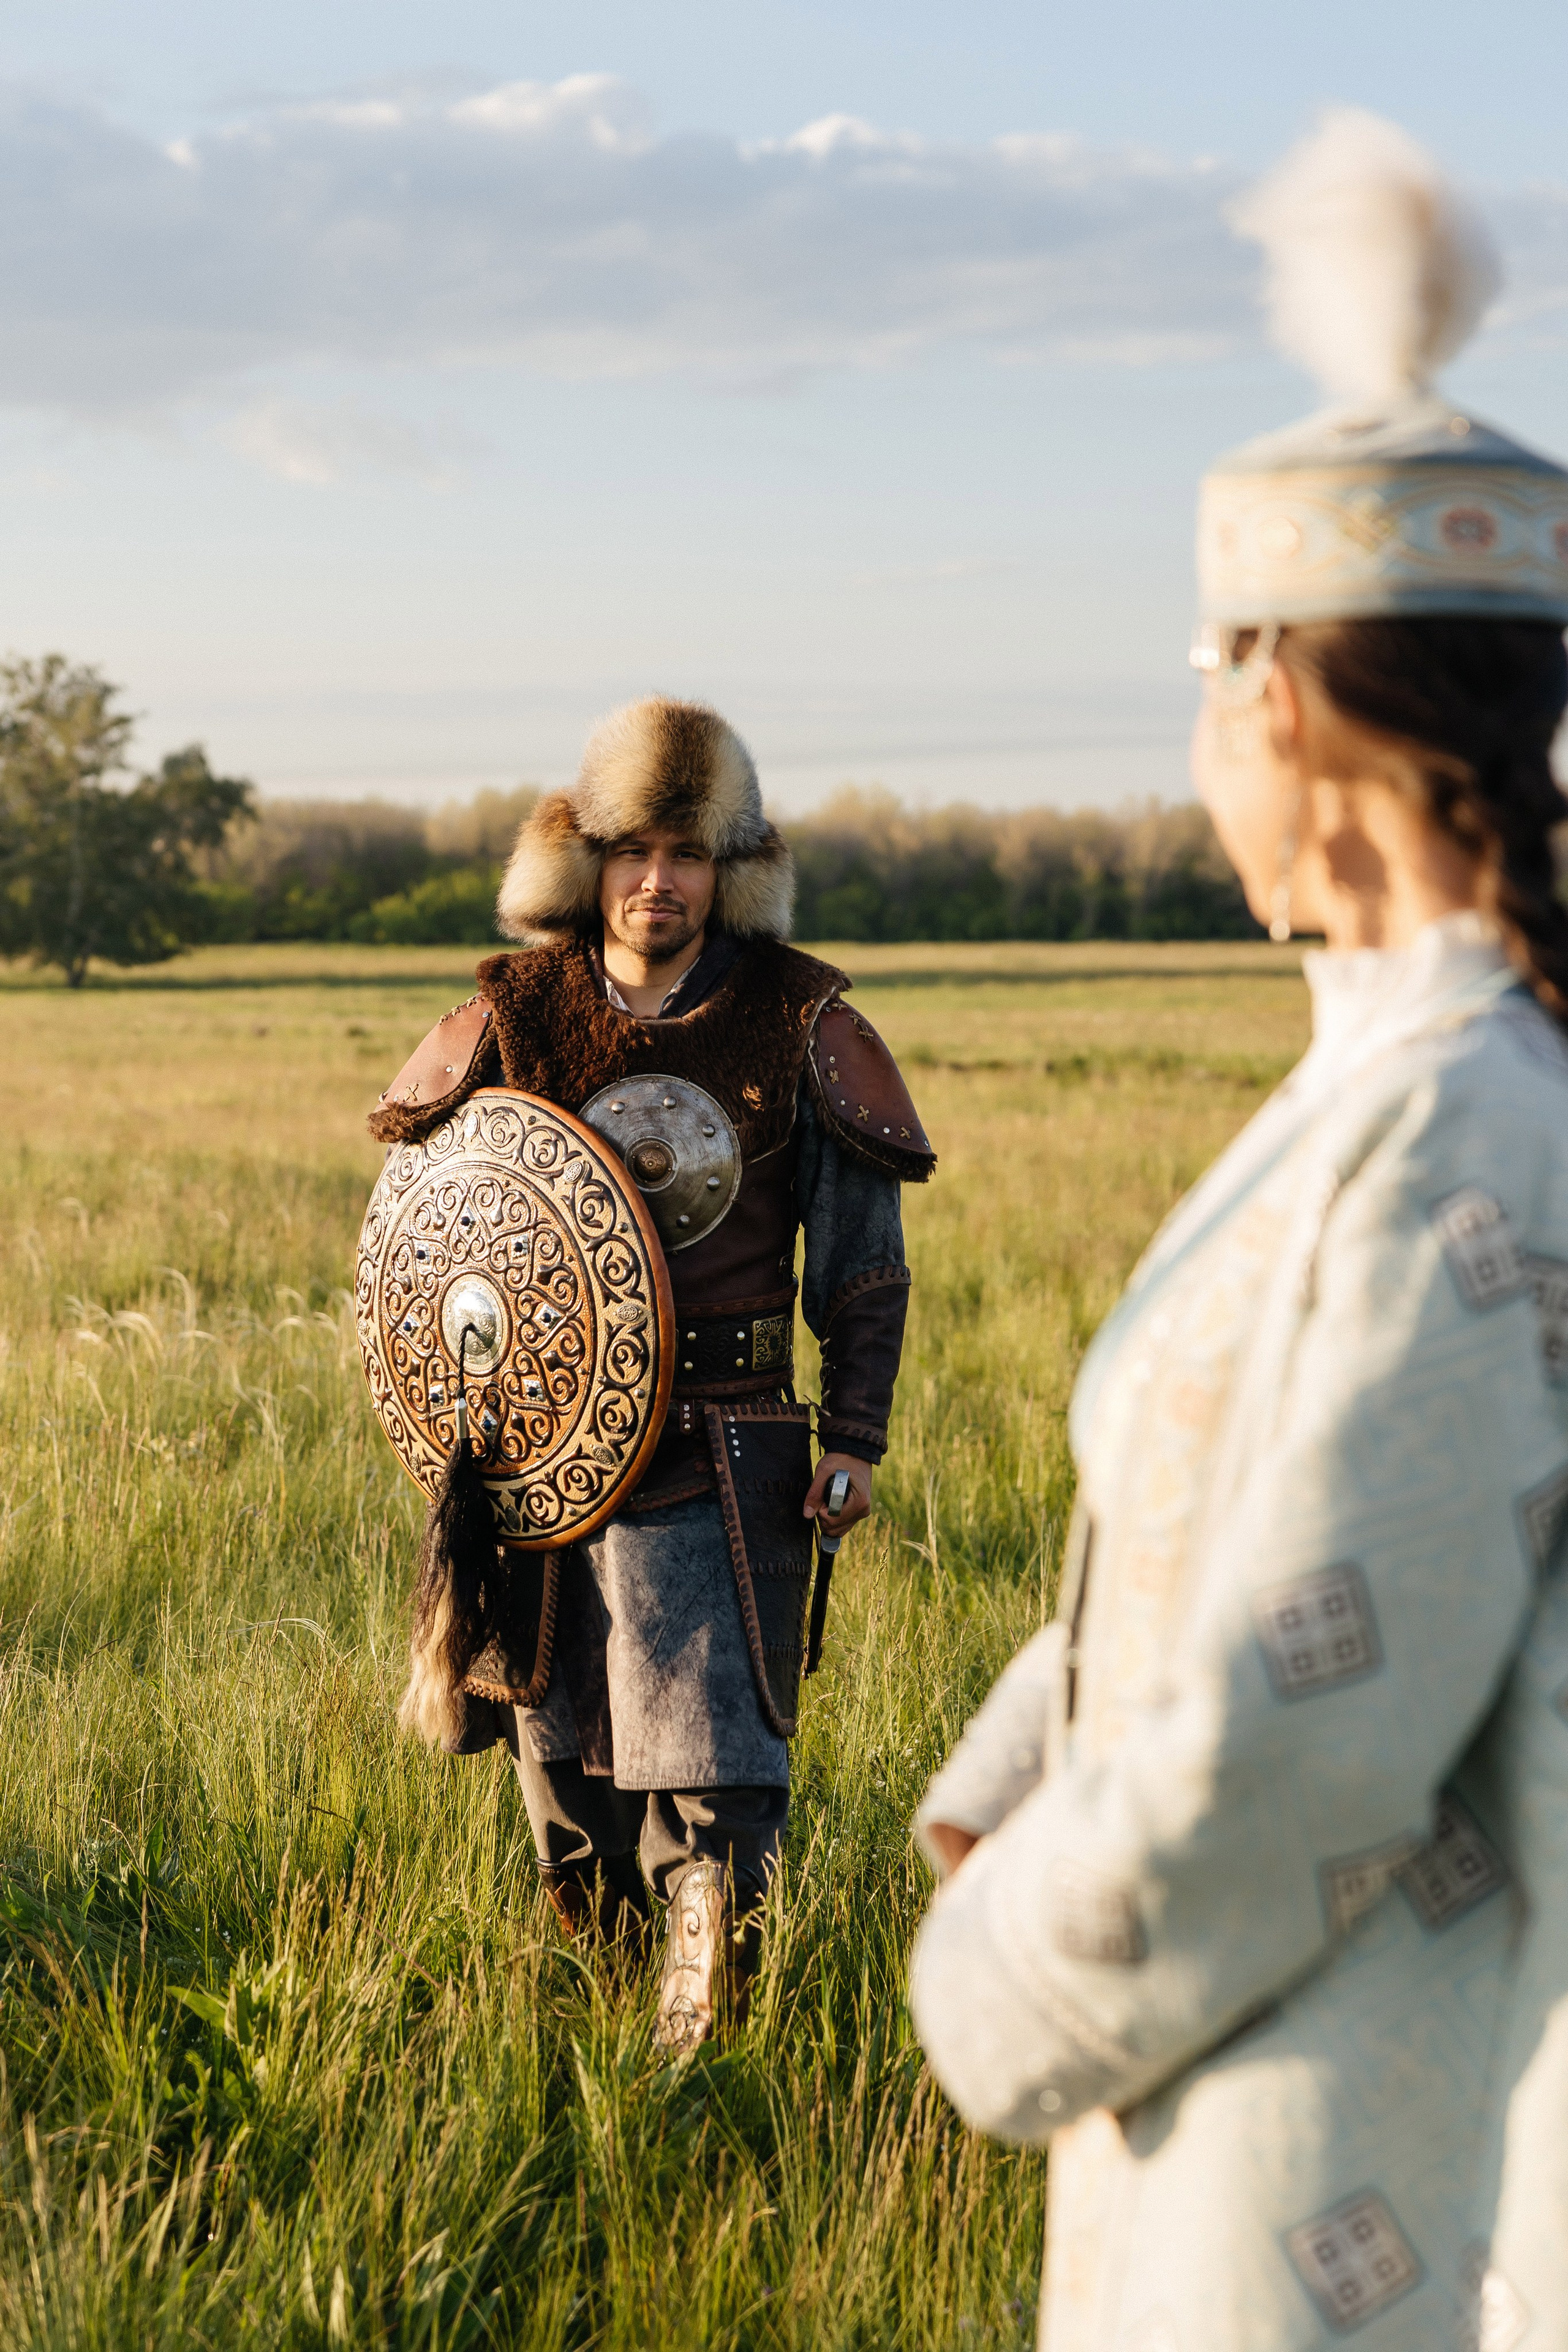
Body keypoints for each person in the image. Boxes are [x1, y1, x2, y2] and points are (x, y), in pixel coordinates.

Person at [910, 112, 1568, 2349]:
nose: (1201, 742)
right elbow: (1258, 1512)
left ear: (1277, 691)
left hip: (1348, 2164)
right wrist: (1019, 1767)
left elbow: (1319, 1709)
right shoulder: (1400, 1079)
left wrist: (990, 1978)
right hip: (1275, 2086)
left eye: (1208, 686)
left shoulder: (1473, 1118)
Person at [371, 694, 933, 2052]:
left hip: (725, 1452)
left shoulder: (797, 1017)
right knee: (562, 1768)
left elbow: (862, 1262)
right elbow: (429, 1223)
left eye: (687, 854)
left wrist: (851, 1433)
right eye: (632, 851)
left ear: (727, 871)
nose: (657, 881)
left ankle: (709, 2067)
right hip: (543, 1455)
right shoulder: (516, 1011)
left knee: (717, 1784)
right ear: (587, 859)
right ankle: (593, 2038)